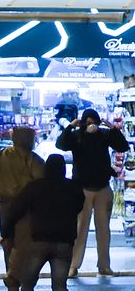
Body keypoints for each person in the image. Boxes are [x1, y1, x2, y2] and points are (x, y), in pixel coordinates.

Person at [0, 155, 85, 291]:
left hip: (38, 241)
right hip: (64, 242)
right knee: (59, 285)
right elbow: (79, 206)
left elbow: (15, 210)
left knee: (28, 283)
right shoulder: (73, 188)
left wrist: (6, 233)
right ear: (64, 169)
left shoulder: (35, 187)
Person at [55, 108, 129, 277]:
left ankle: (104, 266)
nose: (91, 126)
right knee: (80, 229)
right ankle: (73, 266)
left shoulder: (104, 135)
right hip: (82, 189)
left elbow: (122, 146)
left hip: (102, 187)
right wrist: (70, 127)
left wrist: (112, 128)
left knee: (103, 230)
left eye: (93, 122)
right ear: (82, 123)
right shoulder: (76, 136)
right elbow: (60, 145)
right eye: (87, 123)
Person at [0, 127, 45, 291]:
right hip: (26, 207)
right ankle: (19, 278)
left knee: (8, 242)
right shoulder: (33, 159)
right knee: (24, 243)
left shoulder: (0, 156)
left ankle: (12, 277)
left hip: (5, 205)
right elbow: (42, 181)